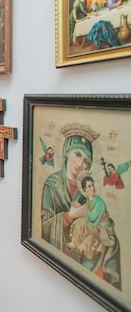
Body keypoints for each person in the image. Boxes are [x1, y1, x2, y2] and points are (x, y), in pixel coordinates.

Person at [41, 123, 121, 288]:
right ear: (66, 153)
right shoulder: (52, 184)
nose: (80, 164)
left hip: (85, 248)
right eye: (77, 154)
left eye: (86, 161)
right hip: (59, 253)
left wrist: (103, 229)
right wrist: (69, 216)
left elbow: (99, 217)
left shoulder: (86, 190)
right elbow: (41, 226)